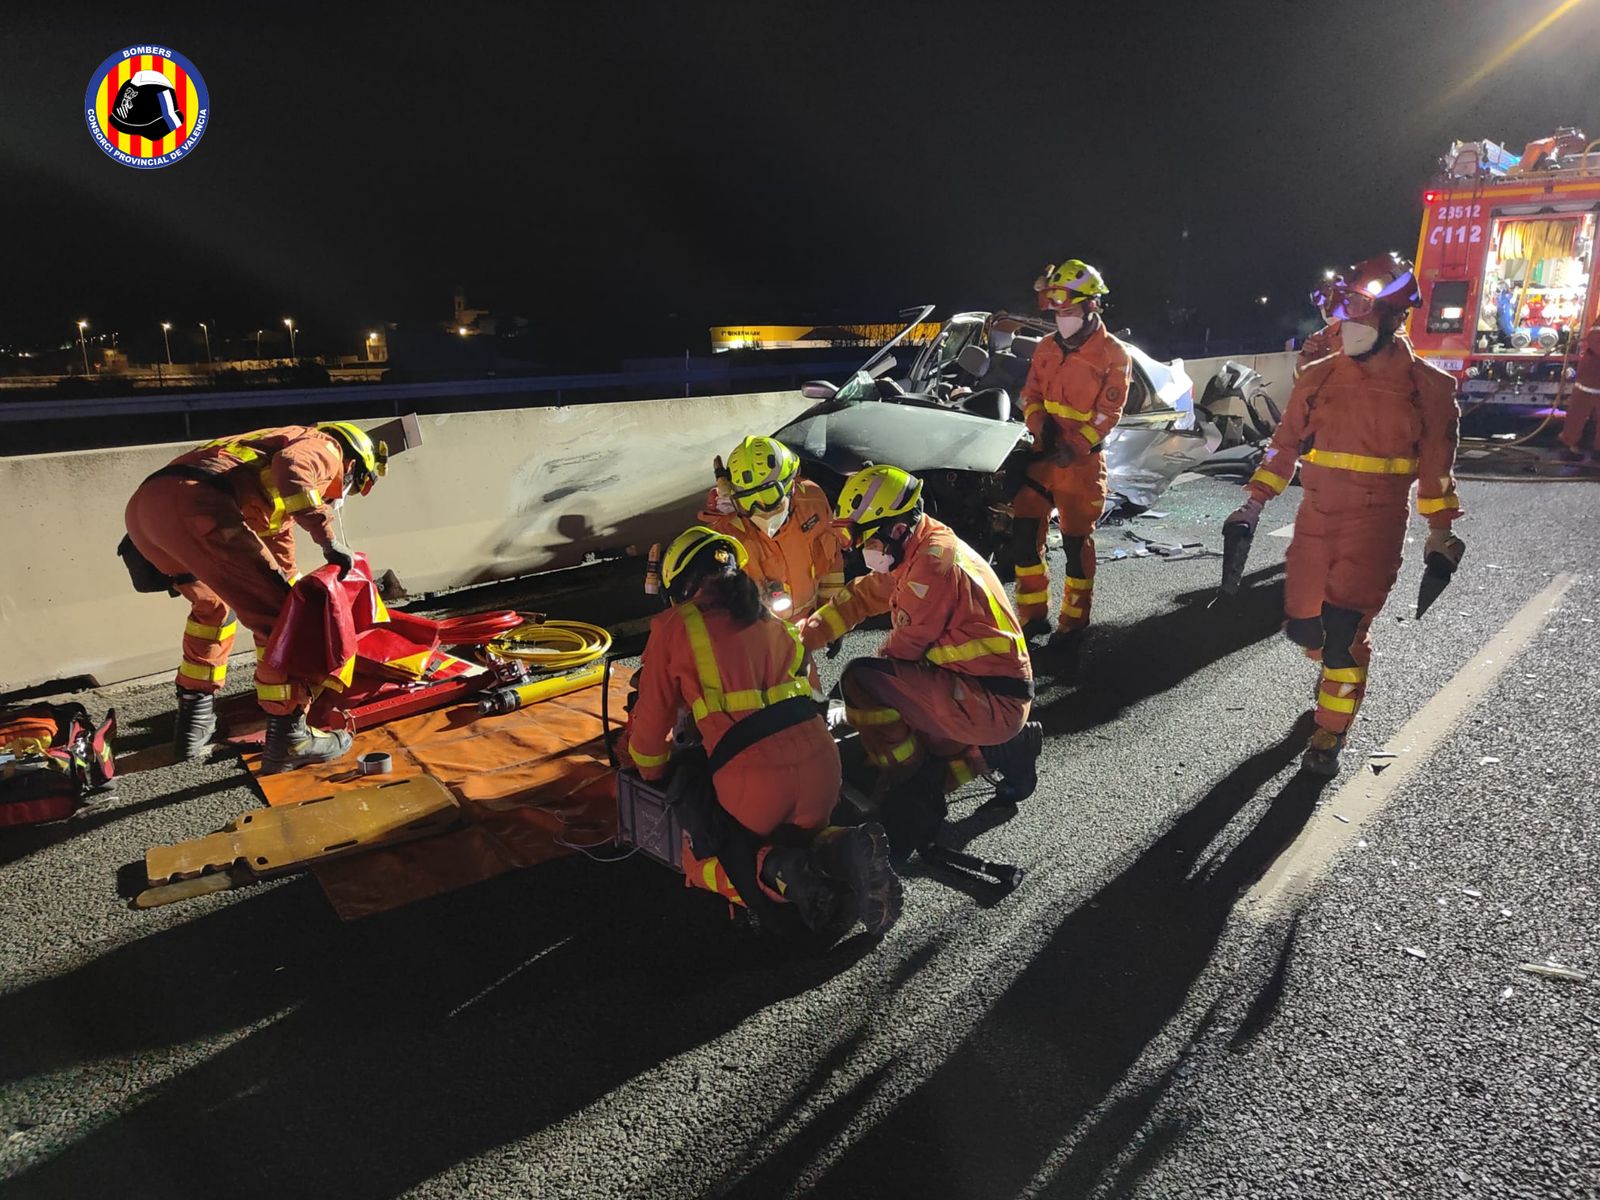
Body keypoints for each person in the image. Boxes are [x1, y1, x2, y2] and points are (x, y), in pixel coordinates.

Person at [1225, 253, 1463, 776]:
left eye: (1359, 314)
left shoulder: (1431, 388)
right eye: (1343, 312)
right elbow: (1283, 447)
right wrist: (1253, 502)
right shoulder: (1318, 374)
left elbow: (1436, 470)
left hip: (1374, 526)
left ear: (1394, 317)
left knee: (1342, 634)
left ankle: (1328, 736)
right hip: (1315, 519)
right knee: (1305, 630)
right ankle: (1334, 672)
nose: (1346, 326)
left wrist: (1440, 532)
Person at [622, 525, 901, 936]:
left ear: (682, 582)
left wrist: (650, 773)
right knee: (804, 832)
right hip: (823, 770)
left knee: (701, 860)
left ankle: (778, 873)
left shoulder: (677, 625)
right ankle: (838, 847)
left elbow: (649, 735)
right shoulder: (773, 617)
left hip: (752, 783)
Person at [799, 465, 1042, 856]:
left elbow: (897, 658)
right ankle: (997, 751)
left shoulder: (930, 569)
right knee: (898, 725)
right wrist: (802, 638)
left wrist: (849, 703)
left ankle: (912, 783)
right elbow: (862, 596)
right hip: (979, 689)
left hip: (989, 702)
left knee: (861, 681)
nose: (854, 546)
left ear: (894, 528)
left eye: (861, 536)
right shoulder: (919, 544)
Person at [122, 422, 386, 772]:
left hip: (147, 513)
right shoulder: (326, 447)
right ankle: (291, 738)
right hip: (200, 504)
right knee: (283, 624)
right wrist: (327, 540)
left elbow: (281, 559)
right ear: (354, 465)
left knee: (212, 611)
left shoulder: (259, 468)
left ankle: (193, 725)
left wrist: (294, 590)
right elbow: (294, 469)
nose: (337, 495)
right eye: (351, 486)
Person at [1008, 259, 1133, 666]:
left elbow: (1108, 414)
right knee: (1024, 535)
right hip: (1043, 458)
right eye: (1057, 312)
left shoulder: (1113, 355)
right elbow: (1029, 394)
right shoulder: (1045, 348)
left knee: (1077, 548)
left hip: (1080, 466)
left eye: (1068, 311)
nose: (1061, 319)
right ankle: (1031, 615)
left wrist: (1076, 445)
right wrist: (1037, 422)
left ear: (1091, 306)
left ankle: (1073, 623)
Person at [698, 435, 847, 621]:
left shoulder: (813, 500)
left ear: (790, 484)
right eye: (748, 501)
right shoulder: (728, 535)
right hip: (765, 641)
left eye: (769, 496)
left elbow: (831, 563)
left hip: (808, 626)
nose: (761, 510)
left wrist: (829, 617)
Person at [1559, 322, 1600, 462]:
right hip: (1592, 375)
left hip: (1592, 375)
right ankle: (1569, 446)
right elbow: (1594, 338)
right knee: (1578, 412)